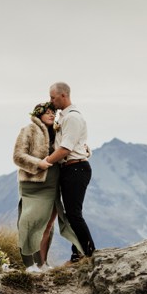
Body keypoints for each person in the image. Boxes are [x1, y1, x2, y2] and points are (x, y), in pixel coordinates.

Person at [12, 101, 84, 271]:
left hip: (53, 184)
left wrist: (85, 151)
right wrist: (38, 163)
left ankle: (42, 263)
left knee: (47, 225)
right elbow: (18, 156)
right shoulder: (28, 130)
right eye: (48, 112)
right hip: (33, 186)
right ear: (39, 114)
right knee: (29, 223)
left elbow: (69, 147)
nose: (52, 115)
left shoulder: (59, 131)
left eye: (53, 112)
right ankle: (29, 264)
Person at [39, 82, 96, 261]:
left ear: (63, 95)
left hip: (76, 168)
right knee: (71, 214)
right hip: (70, 168)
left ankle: (88, 252)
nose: (51, 101)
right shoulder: (64, 117)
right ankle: (77, 253)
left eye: (53, 97)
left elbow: (65, 149)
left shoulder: (72, 118)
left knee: (73, 214)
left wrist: (45, 162)